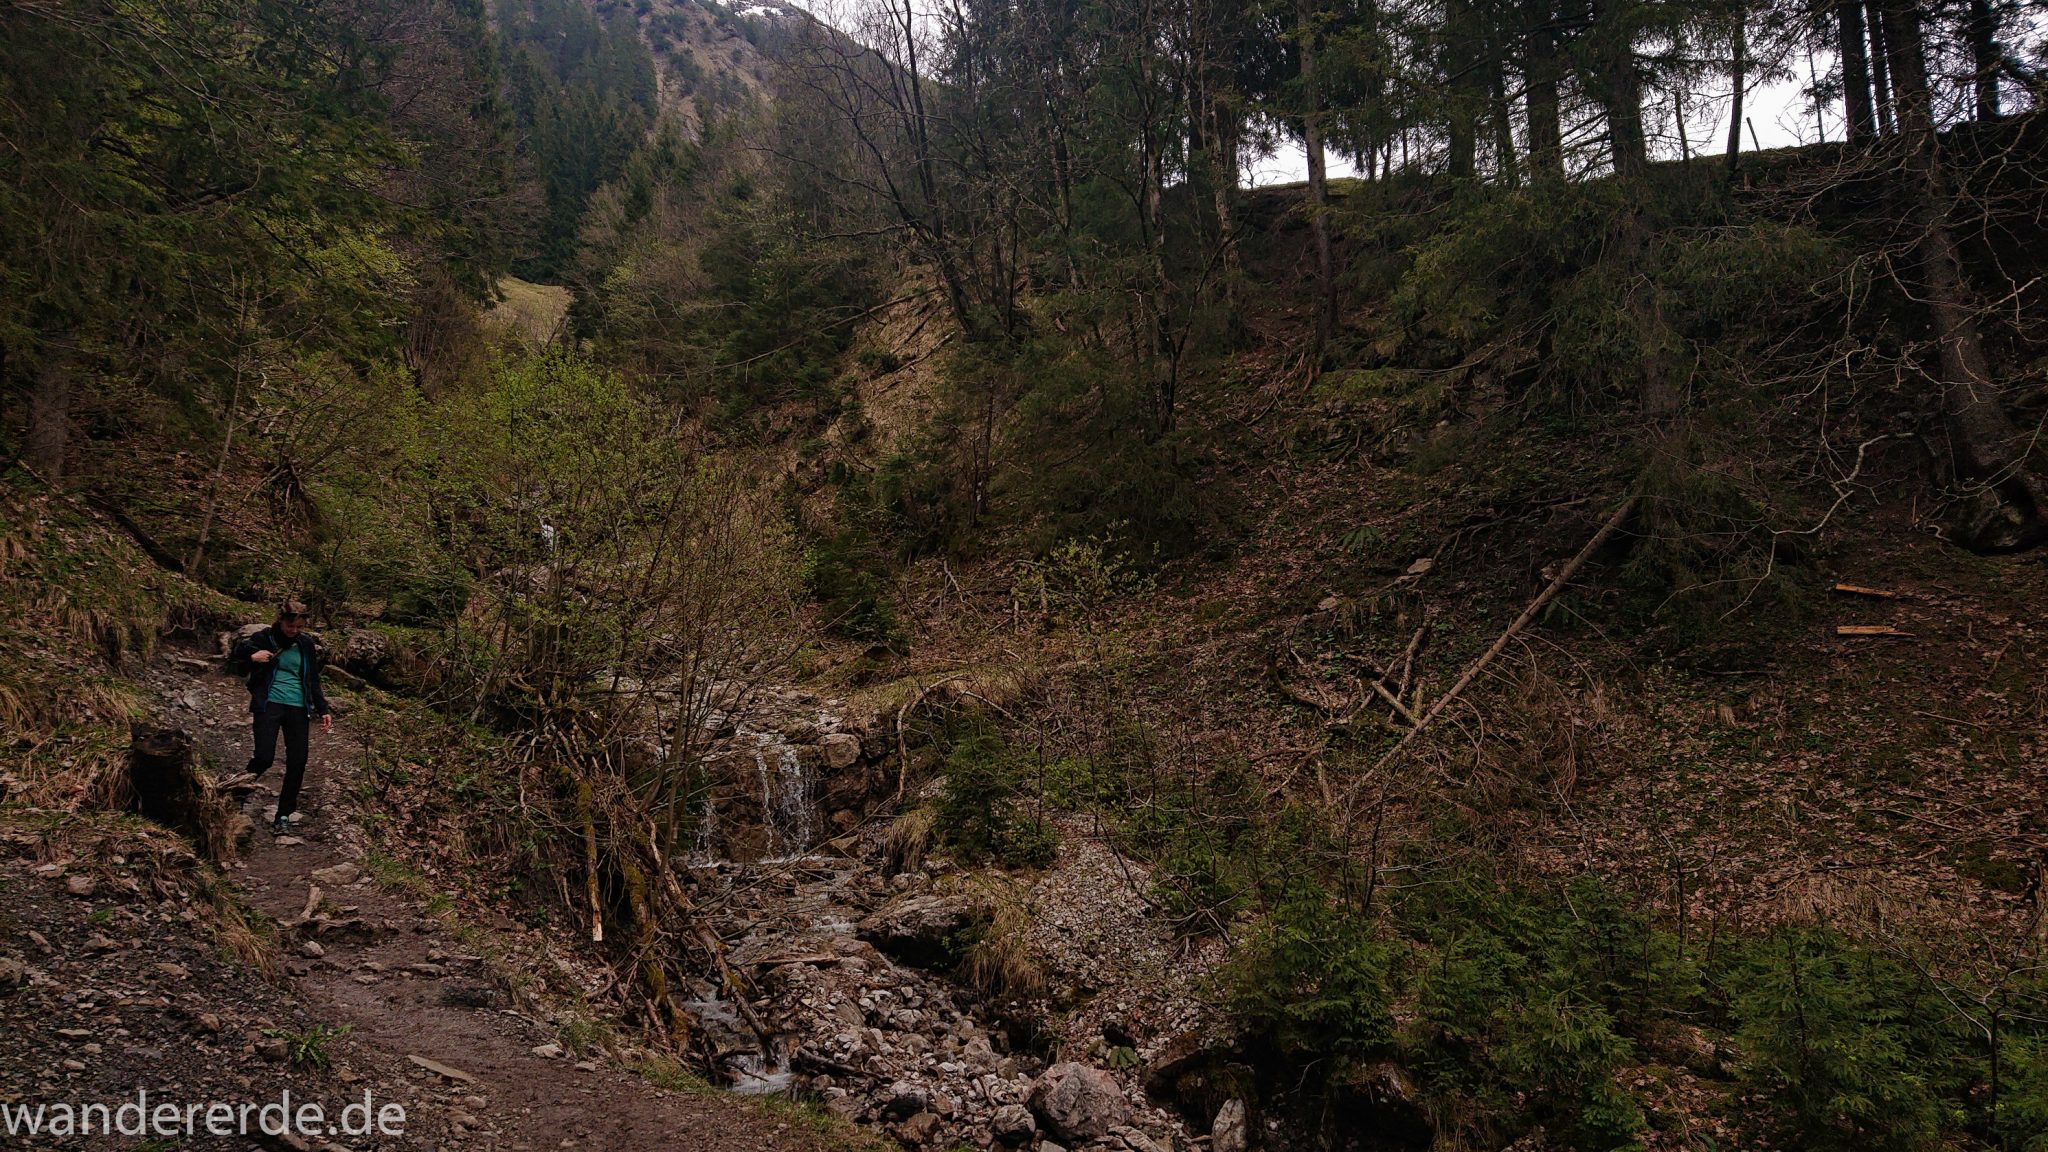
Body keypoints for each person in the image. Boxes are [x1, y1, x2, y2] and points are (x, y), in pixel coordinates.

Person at [229, 600, 332, 835]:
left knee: (298, 762)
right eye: (290, 626)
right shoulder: (264, 637)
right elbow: (237, 657)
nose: (294, 631)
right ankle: (237, 792)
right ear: (281, 620)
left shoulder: (305, 644)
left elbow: (313, 680)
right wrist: (253, 658)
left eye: (299, 626)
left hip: (298, 706)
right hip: (270, 703)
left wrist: (323, 709)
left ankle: (283, 814)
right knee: (264, 757)